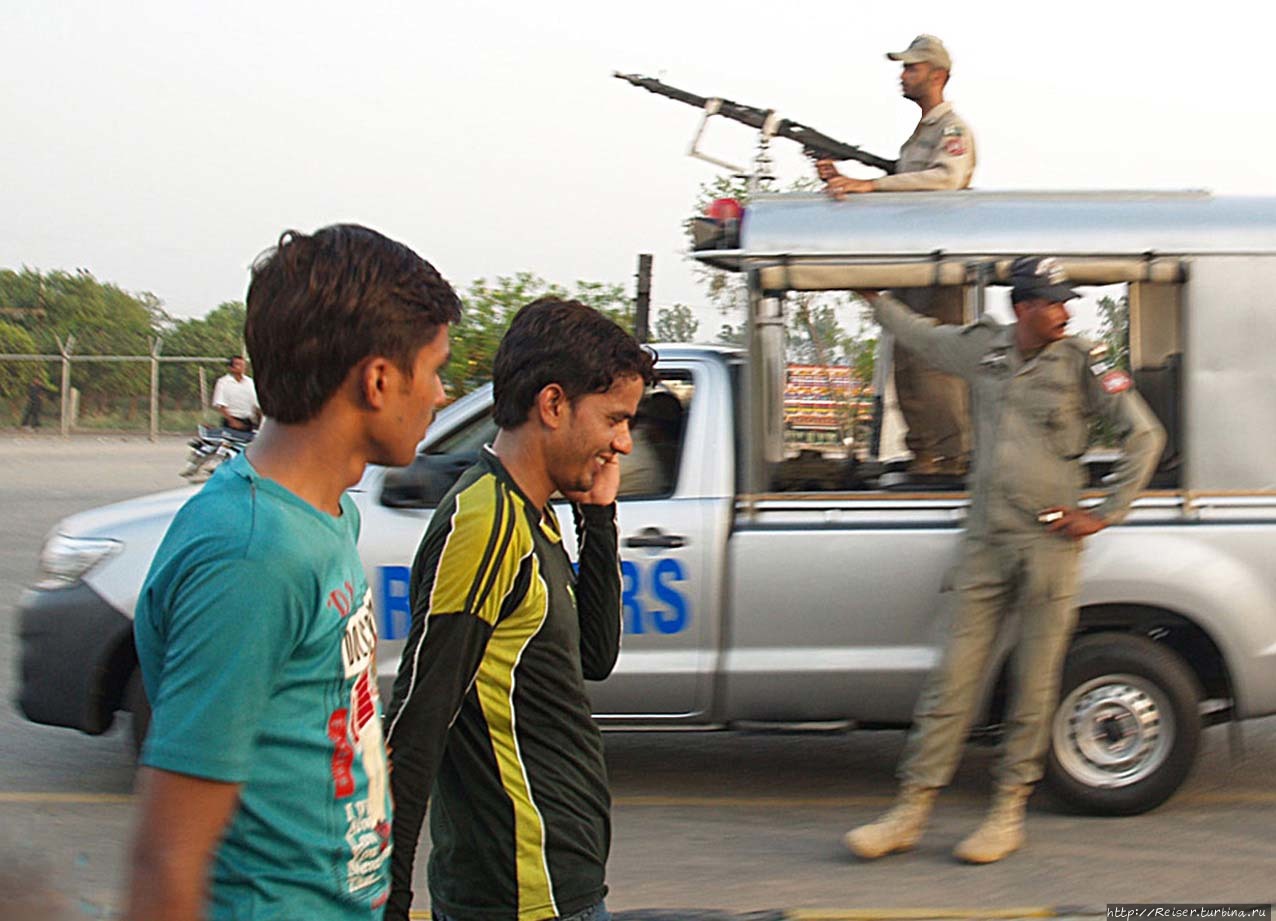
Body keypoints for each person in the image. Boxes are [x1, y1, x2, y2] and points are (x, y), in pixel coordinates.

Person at [126, 224, 461, 921]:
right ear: (377, 379)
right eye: (433, 370)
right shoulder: (254, 555)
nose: (440, 394)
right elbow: (166, 861)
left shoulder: (330, 516)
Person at [845, 257, 1164, 864]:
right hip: (986, 541)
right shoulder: (985, 350)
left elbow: (1144, 436)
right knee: (953, 680)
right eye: (1053, 302)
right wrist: (872, 295)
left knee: (1034, 681)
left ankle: (1007, 810)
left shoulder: (1082, 362)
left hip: (1048, 545)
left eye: (1066, 302)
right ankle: (911, 807)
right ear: (1022, 308)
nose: (1065, 312)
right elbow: (921, 337)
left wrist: (1102, 513)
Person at [384, 298, 656, 921]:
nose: (624, 442)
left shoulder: (532, 512)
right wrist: (390, 902)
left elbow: (595, 654)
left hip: (560, 886)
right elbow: (420, 723)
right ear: (553, 404)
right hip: (519, 896)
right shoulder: (484, 523)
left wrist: (598, 516)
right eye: (614, 418)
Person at [817, 34, 977, 477]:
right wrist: (847, 179)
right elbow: (906, 187)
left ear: (938, 75)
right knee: (908, 364)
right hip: (912, 263)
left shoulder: (952, 131)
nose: (903, 75)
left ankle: (948, 457)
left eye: (912, 68)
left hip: (938, 266)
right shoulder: (922, 134)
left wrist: (868, 186)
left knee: (934, 363)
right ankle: (925, 453)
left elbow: (945, 180)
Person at [211, 354, 261, 431]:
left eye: (243, 365)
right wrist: (232, 421)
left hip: (247, 422)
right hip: (230, 422)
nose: (242, 367)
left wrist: (260, 422)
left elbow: (256, 405)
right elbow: (220, 405)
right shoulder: (223, 382)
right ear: (231, 368)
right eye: (238, 364)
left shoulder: (250, 383)